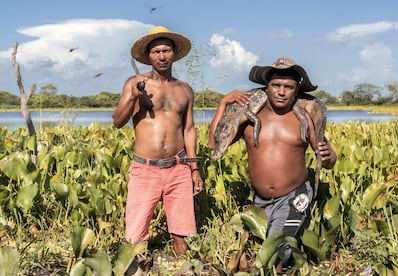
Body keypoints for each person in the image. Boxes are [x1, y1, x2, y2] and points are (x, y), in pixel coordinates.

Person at [208, 57, 337, 271]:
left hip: (295, 194)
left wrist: (329, 154)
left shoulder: (304, 117)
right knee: (251, 247)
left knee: (275, 252)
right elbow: (213, 144)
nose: (281, 91)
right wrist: (223, 103)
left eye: (288, 87)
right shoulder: (249, 117)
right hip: (261, 200)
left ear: (296, 91)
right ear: (266, 87)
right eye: (276, 85)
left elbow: (329, 161)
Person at [112, 25, 203, 255]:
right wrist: (133, 96)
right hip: (146, 167)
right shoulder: (135, 83)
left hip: (178, 167)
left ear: (174, 53)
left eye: (166, 51)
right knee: (135, 235)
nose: (161, 56)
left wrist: (194, 168)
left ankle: (182, 268)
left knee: (182, 235)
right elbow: (118, 121)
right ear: (148, 56)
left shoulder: (185, 89)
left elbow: (189, 129)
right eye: (156, 52)